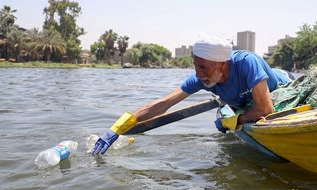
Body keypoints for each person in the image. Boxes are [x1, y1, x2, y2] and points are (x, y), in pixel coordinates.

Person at [91, 36, 292, 155]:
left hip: (282, 85)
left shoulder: (247, 62)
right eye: (196, 66)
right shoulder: (200, 79)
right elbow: (162, 105)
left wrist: (232, 121)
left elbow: (266, 109)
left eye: (203, 67)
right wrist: (117, 128)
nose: (198, 73)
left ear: (223, 64)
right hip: (246, 103)